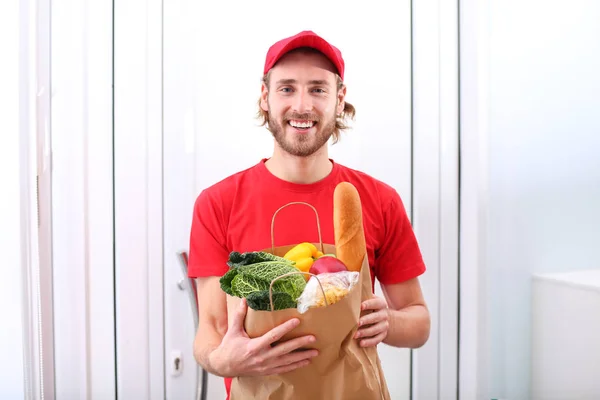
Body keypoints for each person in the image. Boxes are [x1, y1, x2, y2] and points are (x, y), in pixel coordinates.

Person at [188, 30, 430, 399]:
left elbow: (418, 322)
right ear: (265, 97)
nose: (302, 105)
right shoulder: (218, 203)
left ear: (339, 99)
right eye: (287, 88)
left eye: (318, 89)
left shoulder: (379, 199)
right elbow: (211, 329)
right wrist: (223, 361)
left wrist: (389, 322)